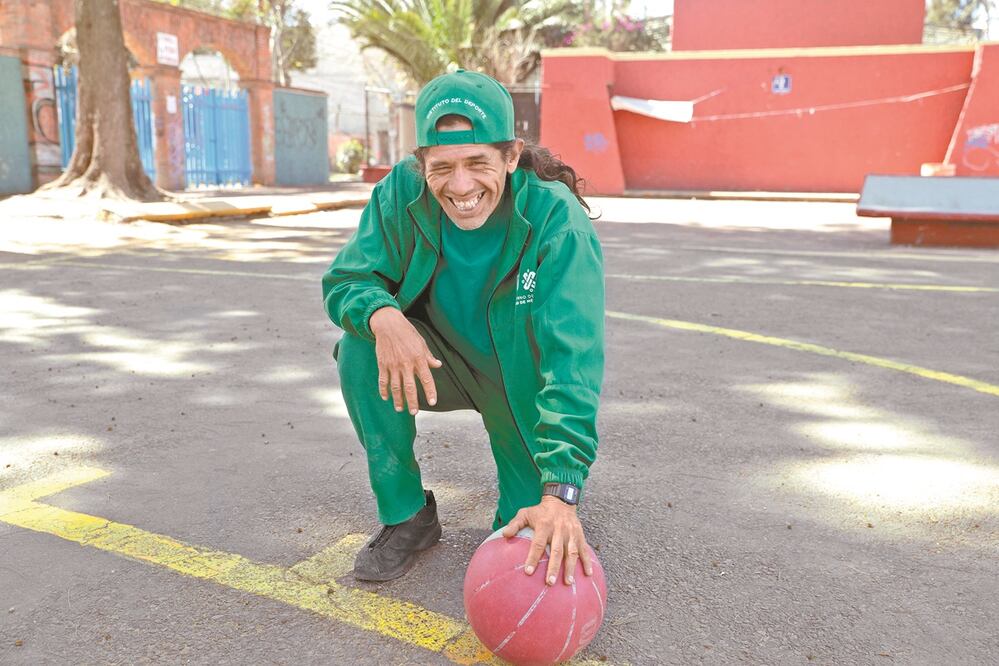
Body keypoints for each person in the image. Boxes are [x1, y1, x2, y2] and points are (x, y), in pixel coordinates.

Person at [321, 70, 604, 588]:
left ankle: (533, 483)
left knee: (523, 549)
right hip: (439, 362)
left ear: (512, 157)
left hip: (518, 382)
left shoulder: (557, 221)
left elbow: (572, 360)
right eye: (442, 167)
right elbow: (347, 278)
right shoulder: (400, 193)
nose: (461, 185)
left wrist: (561, 490)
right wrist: (384, 317)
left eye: (478, 163)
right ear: (420, 164)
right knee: (361, 346)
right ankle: (408, 514)